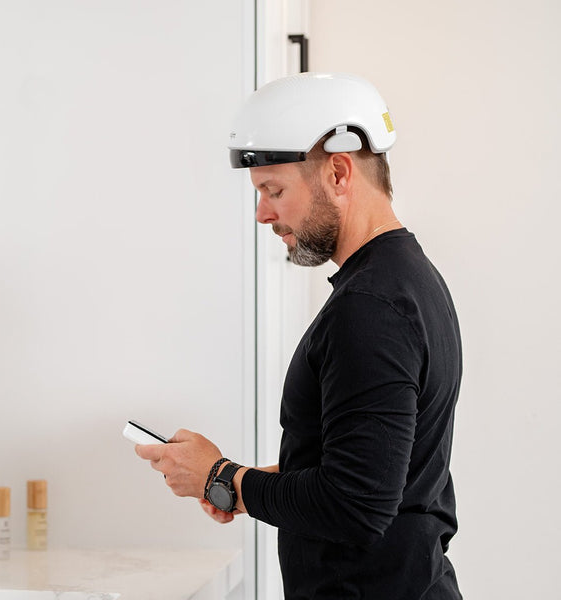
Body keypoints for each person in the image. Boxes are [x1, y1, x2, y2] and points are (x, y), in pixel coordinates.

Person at [135, 73, 462, 599]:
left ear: (337, 172)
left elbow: (357, 506)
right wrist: (239, 489)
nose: (263, 213)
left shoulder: (370, 309)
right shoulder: (406, 279)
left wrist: (219, 475)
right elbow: (371, 470)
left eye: (274, 190)